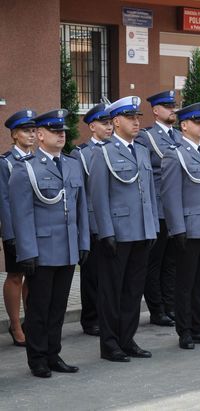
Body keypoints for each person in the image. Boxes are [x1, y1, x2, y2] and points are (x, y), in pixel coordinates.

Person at [9, 109, 89, 378]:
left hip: (66, 249)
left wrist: (83, 242)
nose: (61, 135)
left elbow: (80, 208)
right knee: (39, 309)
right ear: (40, 135)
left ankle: (54, 354)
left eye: (63, 131)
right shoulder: (26, 168)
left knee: (58, 307)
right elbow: (21, 215)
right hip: (42, 251)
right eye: (55, 131)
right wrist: (27, 252)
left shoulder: (71, 164)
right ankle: (37, 358)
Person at [90, 96, 159, 362]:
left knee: (133, 290)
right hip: (117, 232)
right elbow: (98, 196)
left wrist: (151, 227)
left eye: (138, 118)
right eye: (130, 118)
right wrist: (105, 232)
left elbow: (150, 194)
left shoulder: (141, 151)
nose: (136, 122)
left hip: (141, 231)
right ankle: (109, 344)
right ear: (116, 121)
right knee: (112, 291)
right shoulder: (103, 152)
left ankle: (127, 339)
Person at [161, 102, 200, 349]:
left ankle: (199, 327)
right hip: (189, 228)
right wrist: (177, 228)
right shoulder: (174, 153)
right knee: (185, 283)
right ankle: (185, 331)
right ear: (184, 125)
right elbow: (170, 195)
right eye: (197, 122)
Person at [137, 90, 181, 327]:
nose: (172, 109)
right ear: (156, 111)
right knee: (155, 262)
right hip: (159, 207)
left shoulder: (179, 136)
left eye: (173, 105)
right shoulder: (146, 137)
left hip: (177, 209)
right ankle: (157, 309)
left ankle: (170, 305)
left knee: (172, 262)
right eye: (167, 106)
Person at [70, 103, 113, 336]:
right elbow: (80, 193)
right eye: (104, 124)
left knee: (110, 274)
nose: (108, 128)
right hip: (92, 222)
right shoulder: (81, 154)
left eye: (110, 123)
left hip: (114, 221)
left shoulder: (117, 150)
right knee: (92, 276)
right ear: (91, 126)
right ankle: (91, 319)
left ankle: (107, 314)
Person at [1, 109, 36, 347]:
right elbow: (3, 200)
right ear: (14, 134)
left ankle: (31, 322)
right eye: (26, 131)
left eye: (34, 130)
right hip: (16, 228)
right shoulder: (6, 163)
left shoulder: (37, 159)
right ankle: (15, 325)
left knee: (34, 276)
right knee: (15, 276)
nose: (32, 135)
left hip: (36, 228)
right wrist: (10, 234)